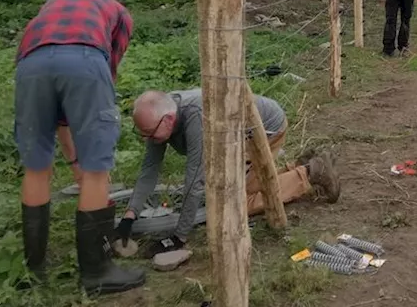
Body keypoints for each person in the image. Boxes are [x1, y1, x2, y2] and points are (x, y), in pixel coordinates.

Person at [15, 0, 145, 296]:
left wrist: (72, 161)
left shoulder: (48, 7)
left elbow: (60, 115)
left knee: (35, 167)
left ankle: (33, 271)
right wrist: (84, 163)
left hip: (30, 65)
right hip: (85, 60)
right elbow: (105, 74)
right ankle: (97, 273)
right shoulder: (120, 13)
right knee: (96, 169)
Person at [117, 88, 341, 256]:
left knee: (236, 203)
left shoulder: (195, 117)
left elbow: (195, 180)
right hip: (234, 138)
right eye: (143, 134)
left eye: (150, 134)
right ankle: (297, 169)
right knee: (239, 188)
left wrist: (179, 237)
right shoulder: (159, 118)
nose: (148, 140)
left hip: (263, 129)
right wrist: (130, 215)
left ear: (168, 119)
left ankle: (311, 171)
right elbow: (149, 170)